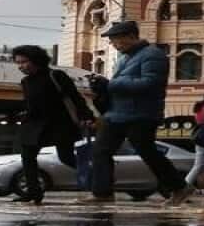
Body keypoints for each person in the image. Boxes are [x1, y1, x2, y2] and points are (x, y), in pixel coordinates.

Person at [90, 21, 192, 205]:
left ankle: (179, 187)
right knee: (100, 151)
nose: (113, 44)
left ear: (131, 36)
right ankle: (102, 193)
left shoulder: (153, 55)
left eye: (116, 39)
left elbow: (151, 83)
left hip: (142, 114)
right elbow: (121, 84)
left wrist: (111, 84)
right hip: (117, 113)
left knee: (147, 151)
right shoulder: (124, 58)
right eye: (112, 40)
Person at [12, 45, 88, 204]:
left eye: (24, 62)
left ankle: (99, 178)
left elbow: (75, 97)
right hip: (34, 124)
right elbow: (29, 104)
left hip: (59, 124)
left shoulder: (56, 75)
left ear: (36, 60)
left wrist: (87, 116)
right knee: (27, 156)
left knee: (66, 157)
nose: (20, 66)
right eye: (18, 63)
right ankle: (33, 192)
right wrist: (24, 116)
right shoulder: (25, 81)